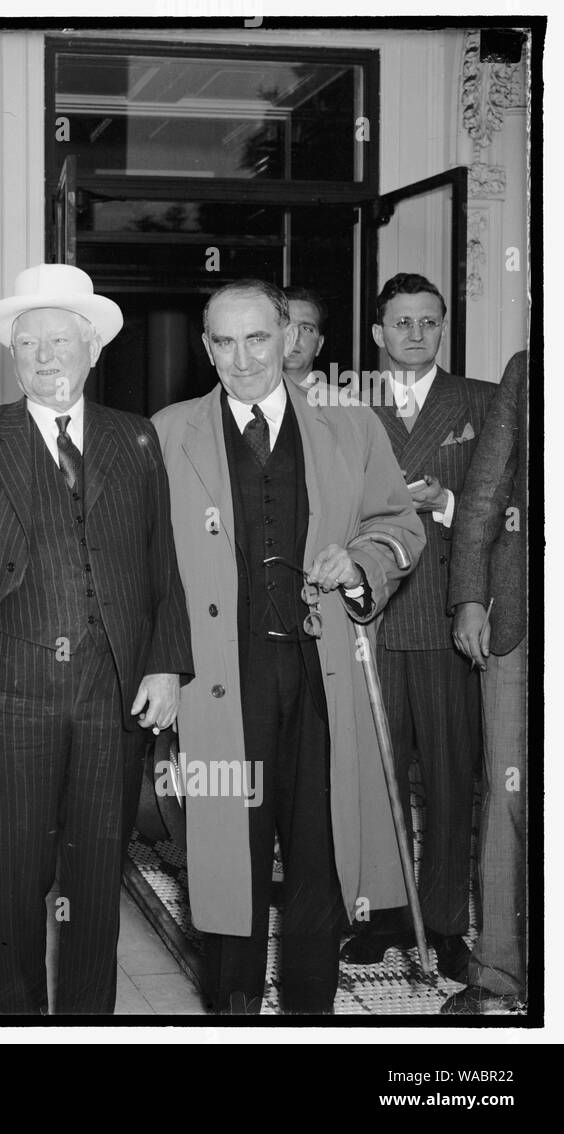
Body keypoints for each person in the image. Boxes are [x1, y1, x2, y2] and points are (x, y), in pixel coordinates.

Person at [152, 278, 424, 1014]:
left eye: (258, 338)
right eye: (225, 342)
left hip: (321, 676)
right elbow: (145, 566)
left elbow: (400, 526)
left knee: (320, 855)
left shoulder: (349, 424)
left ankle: (311, 1014)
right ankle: (234, 1013)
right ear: (207, 348)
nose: (243, 358)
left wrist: (362, 564)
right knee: (227, 862)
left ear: (289, 338)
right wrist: (161, 667)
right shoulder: (166, 432)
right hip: (218, 681)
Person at [0, 263, 192, 1014]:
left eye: (60, 340)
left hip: (111, 690)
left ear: (92, 348)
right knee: (16, 883)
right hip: (9, 689)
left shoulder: (136, 438)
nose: (45, 356)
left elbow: (161, 561)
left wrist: (165, 666)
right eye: (29, 343)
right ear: (12, 356)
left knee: (95, 878)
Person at [341, 273, 494, 981]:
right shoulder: (338, 406)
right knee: (375, 777)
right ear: (377, 334)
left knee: (449, 773)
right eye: (400, 323)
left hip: (440, 617)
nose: (415, 334)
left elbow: (498, 511)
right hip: (367, 619)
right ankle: (378, 915)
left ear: (442, 328)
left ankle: (443, 923)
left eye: (428, 322)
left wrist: (447, 502)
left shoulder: (479, 403)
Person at [443, 349, 528, 1013]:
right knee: (507, 792)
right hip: (521, 617)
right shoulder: (529, 369)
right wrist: (470, 595)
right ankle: (499, 967)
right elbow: (483, 494)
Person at [282, 286, 327, 388]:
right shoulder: (242, 400)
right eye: (286, 325)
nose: (295, 337)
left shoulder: (343, 403)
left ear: (319, 345)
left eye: (306, 329)